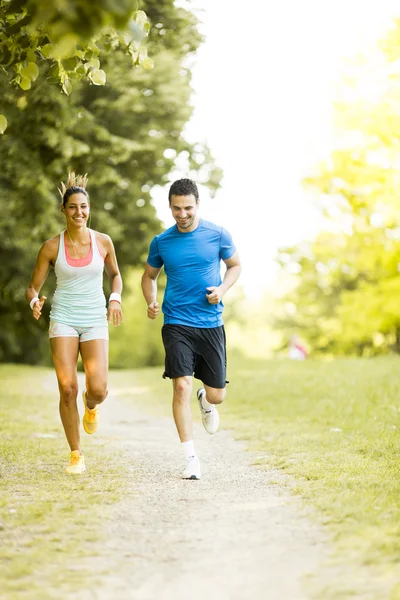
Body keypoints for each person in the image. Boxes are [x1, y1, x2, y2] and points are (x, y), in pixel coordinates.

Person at [141, 178, 241, 480]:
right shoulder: (162, 241)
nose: (181, 214)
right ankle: (191, 459)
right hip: (176, 323)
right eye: (176, 208)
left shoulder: (218, 234)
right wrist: (151, 300)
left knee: (217, 395)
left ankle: (206, 401)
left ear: (197, 205)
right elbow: (149, 276)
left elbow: (235, 265)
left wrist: (222, 289)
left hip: (210, 323)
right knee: (180, 384)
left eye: (187, 208)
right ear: (169, 206)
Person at [26, 172, 123, 474]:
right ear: (63, 210)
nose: (78, 212)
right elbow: (33, 287)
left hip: (94, 317)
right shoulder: (51, 247)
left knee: (99, 389)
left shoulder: (103, 242)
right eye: (72, 207)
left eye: (83, 206)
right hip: (64, 319)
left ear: (89, 208)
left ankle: (90, 406)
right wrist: (34, 301)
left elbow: (115, 275)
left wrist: (115, 298)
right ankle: (76, 453)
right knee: (67, 388)